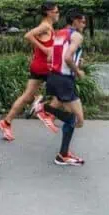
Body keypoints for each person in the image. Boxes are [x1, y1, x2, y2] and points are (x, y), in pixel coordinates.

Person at [0, 1, 59, 141]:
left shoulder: (48, 27)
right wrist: (45, 49)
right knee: (63, 92)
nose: (58, 14)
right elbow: (28, 35)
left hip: (38, 65)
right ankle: (43, 109)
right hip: (44, 66)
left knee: (26, 96)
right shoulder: (45, 26)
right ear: (48, 12)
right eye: (56, 12)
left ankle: (6, 122)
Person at [32, 9, 87, 166]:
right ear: (75, 20)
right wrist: (78, 71)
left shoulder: (58, 33)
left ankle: (63, 155)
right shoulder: (76, 36)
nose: (84, 25)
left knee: (70, 119)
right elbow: (67, 57)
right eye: (83, 21)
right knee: (78, 120)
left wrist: (75, 61)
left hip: (54, 77)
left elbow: (51, 56)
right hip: (64, 80)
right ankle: (43, 108)